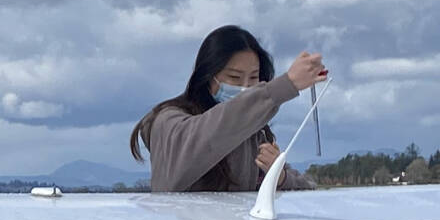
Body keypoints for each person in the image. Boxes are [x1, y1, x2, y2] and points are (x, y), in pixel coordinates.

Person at [129, 25, 325, 192]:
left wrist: (279, 176)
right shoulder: (169, 122)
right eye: (234, 78)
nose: (245, 87)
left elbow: (306, 189)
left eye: (254, 78)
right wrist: (284, 86)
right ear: (207, 76)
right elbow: (209, 134)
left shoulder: (254, 135)